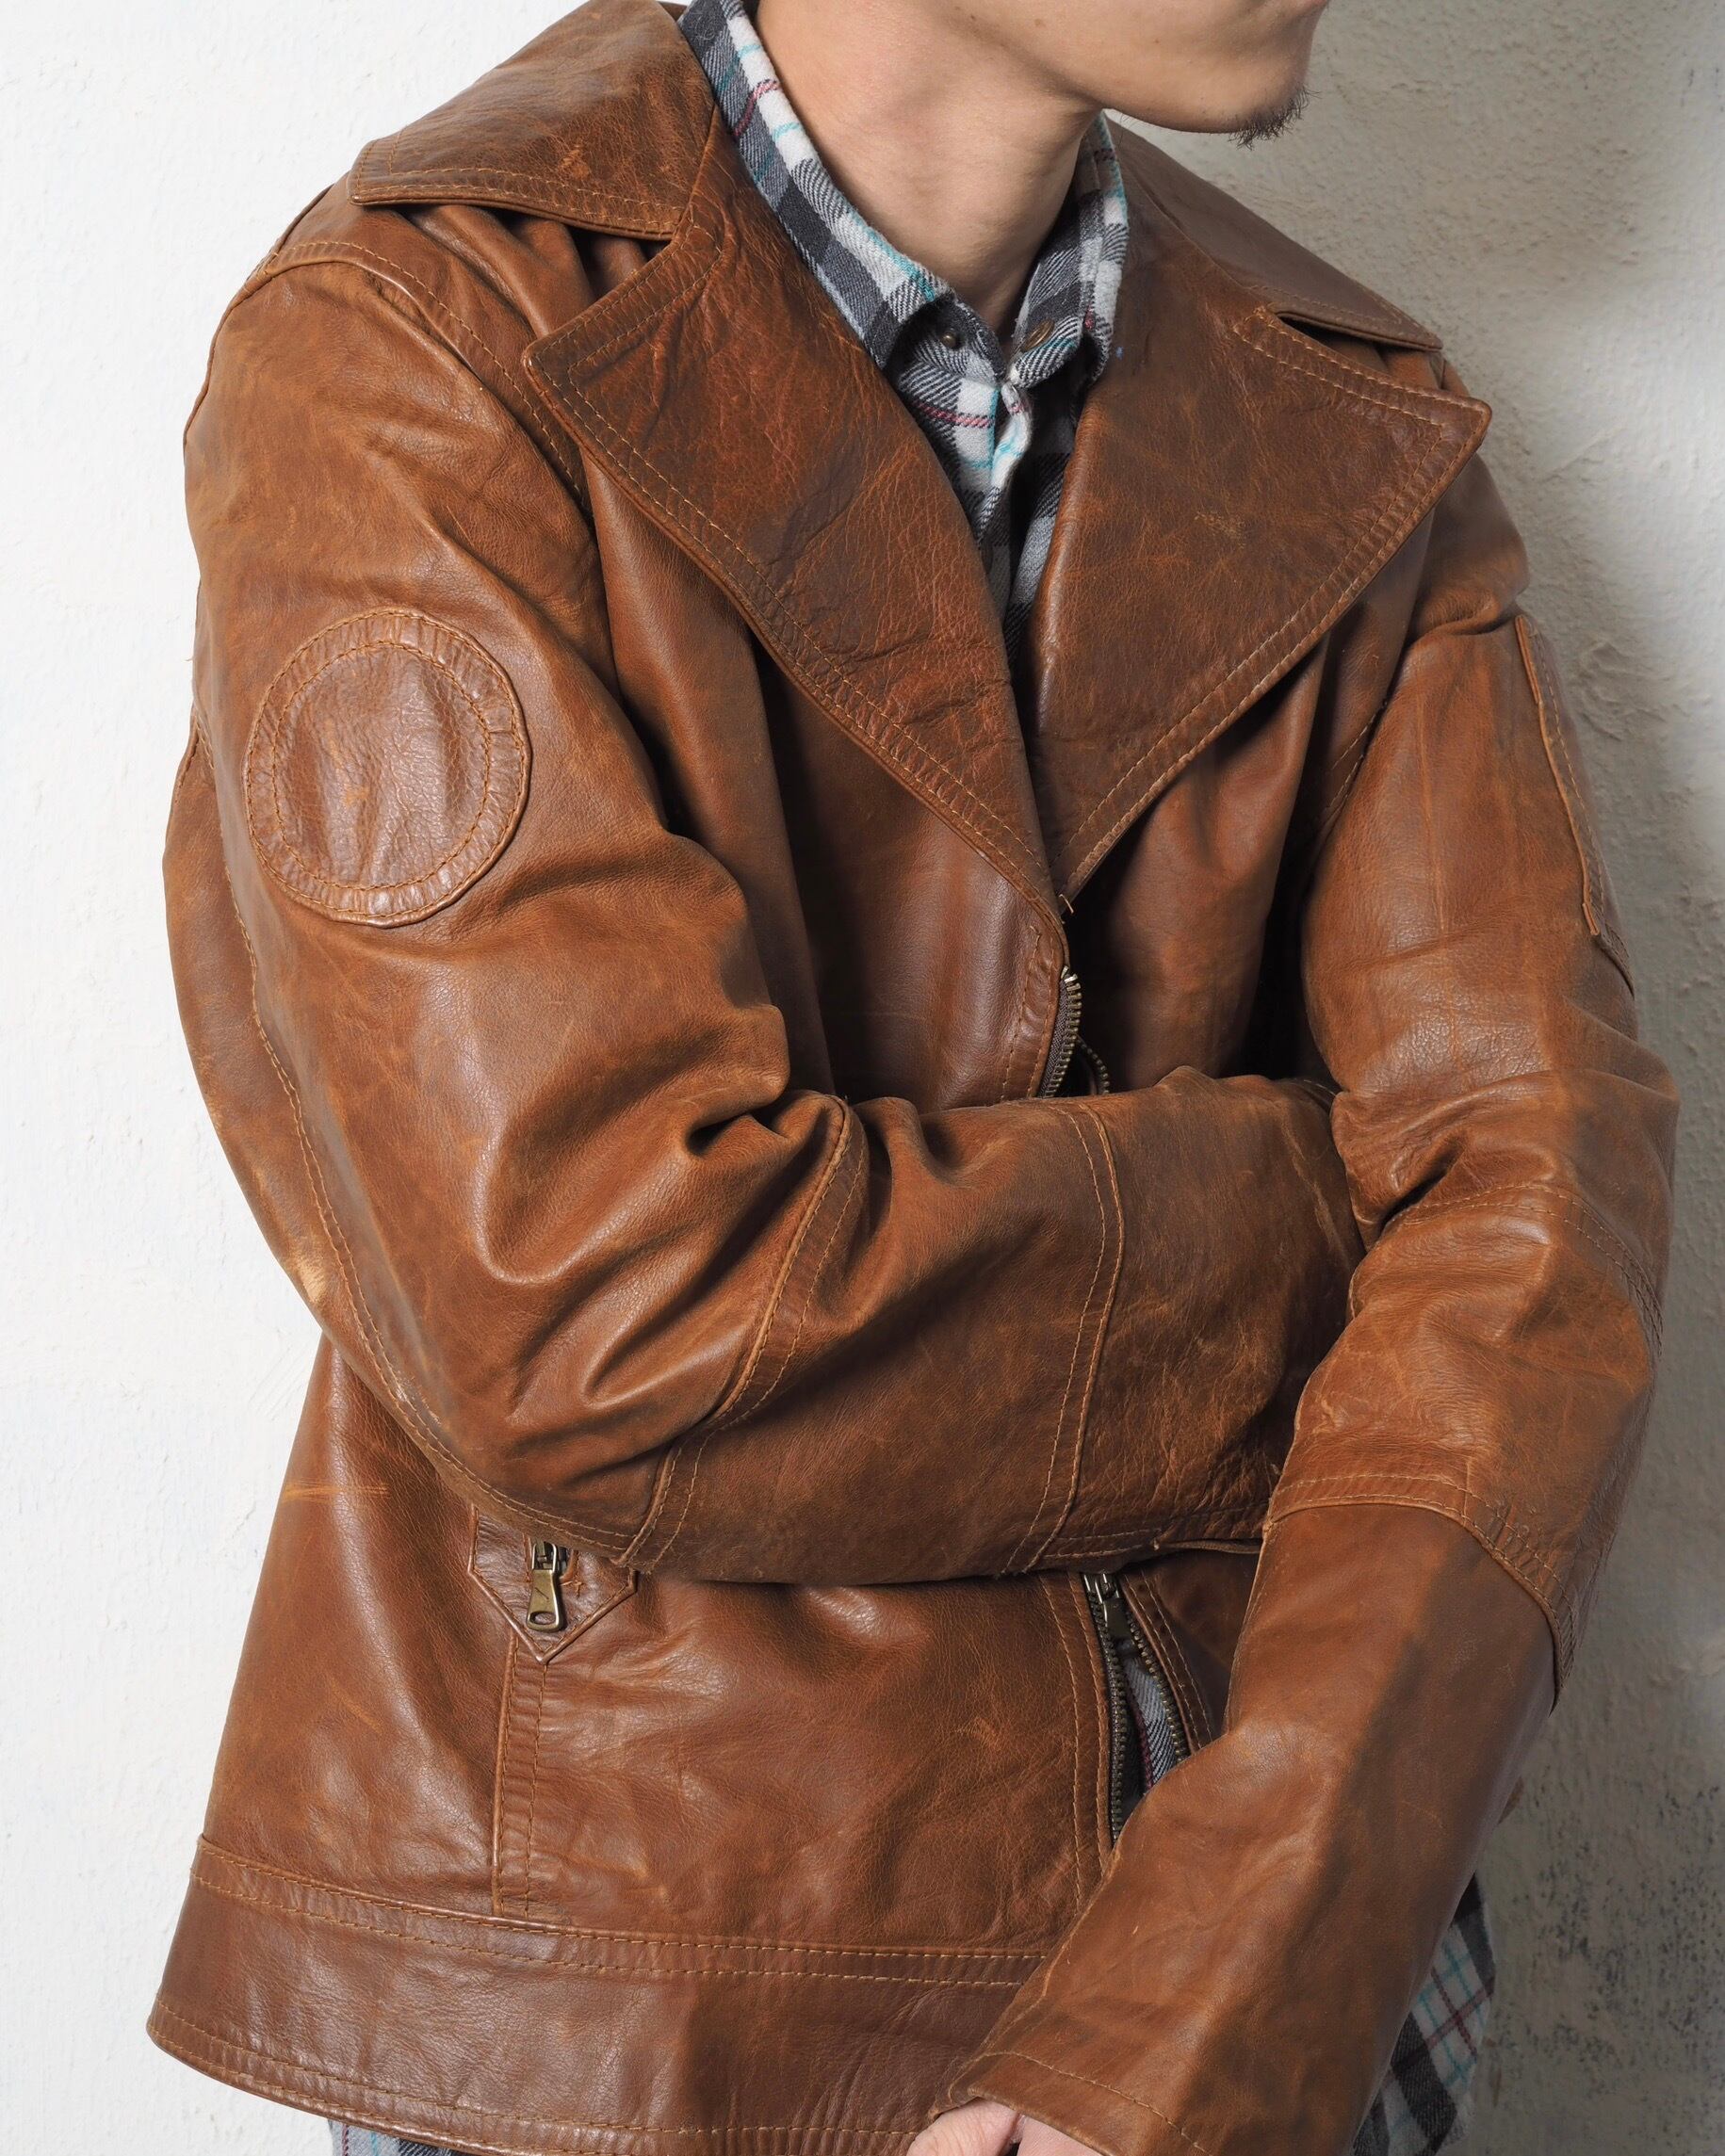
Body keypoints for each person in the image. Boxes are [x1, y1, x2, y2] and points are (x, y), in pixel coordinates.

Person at [148, 1, 1677, 2153]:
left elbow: (1539, 1242)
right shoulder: (420, 336)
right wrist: (1340, 1213)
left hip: (1286, 1991)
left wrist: (1207, 2010)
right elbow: (604, 1311)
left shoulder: (1348, 406)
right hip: (645, 2019)